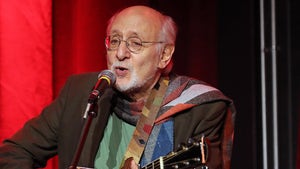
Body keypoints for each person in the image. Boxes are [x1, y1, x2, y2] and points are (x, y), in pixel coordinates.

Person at [0, 5, 236, 169]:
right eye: (114, 41)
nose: (120, 54)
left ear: (164, 55)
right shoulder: (82, 92)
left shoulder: (200, 107)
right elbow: (13, 153)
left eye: (135, 43)